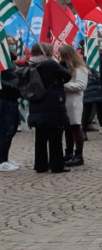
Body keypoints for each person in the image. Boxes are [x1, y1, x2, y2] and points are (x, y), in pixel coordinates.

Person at [26, 42, 70, 174]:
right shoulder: (50, 64)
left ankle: (41, 165)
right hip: (52, 105)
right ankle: (57, 166)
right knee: (55, 137)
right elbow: (67, 75)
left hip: (37, 104)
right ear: (46, 52)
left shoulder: (31, 64)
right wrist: (60, 64)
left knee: (40, 138)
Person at [57, 44, 88, 167]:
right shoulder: (66, 68)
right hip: (66, 101)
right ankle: (69, 153)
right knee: (67, 129)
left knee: (75, 128)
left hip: (74, 101)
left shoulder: (79, 69)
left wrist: (63, 86)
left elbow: (81, 86)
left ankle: (78, 155)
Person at [0, 37, 21, 171]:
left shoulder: (8, 60)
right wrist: (14, 87)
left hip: (12, 100)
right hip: (4, 99)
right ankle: (1, 161)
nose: (13, 46)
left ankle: (4, 157)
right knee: (5, 130)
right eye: (10, 44)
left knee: (11, 130)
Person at [81, 52, 102, 140]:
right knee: (87, 111)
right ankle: (83, 131)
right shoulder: (82, 61)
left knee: (101, 111)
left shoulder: (99, 59)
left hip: (98, 87)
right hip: (88, 88)